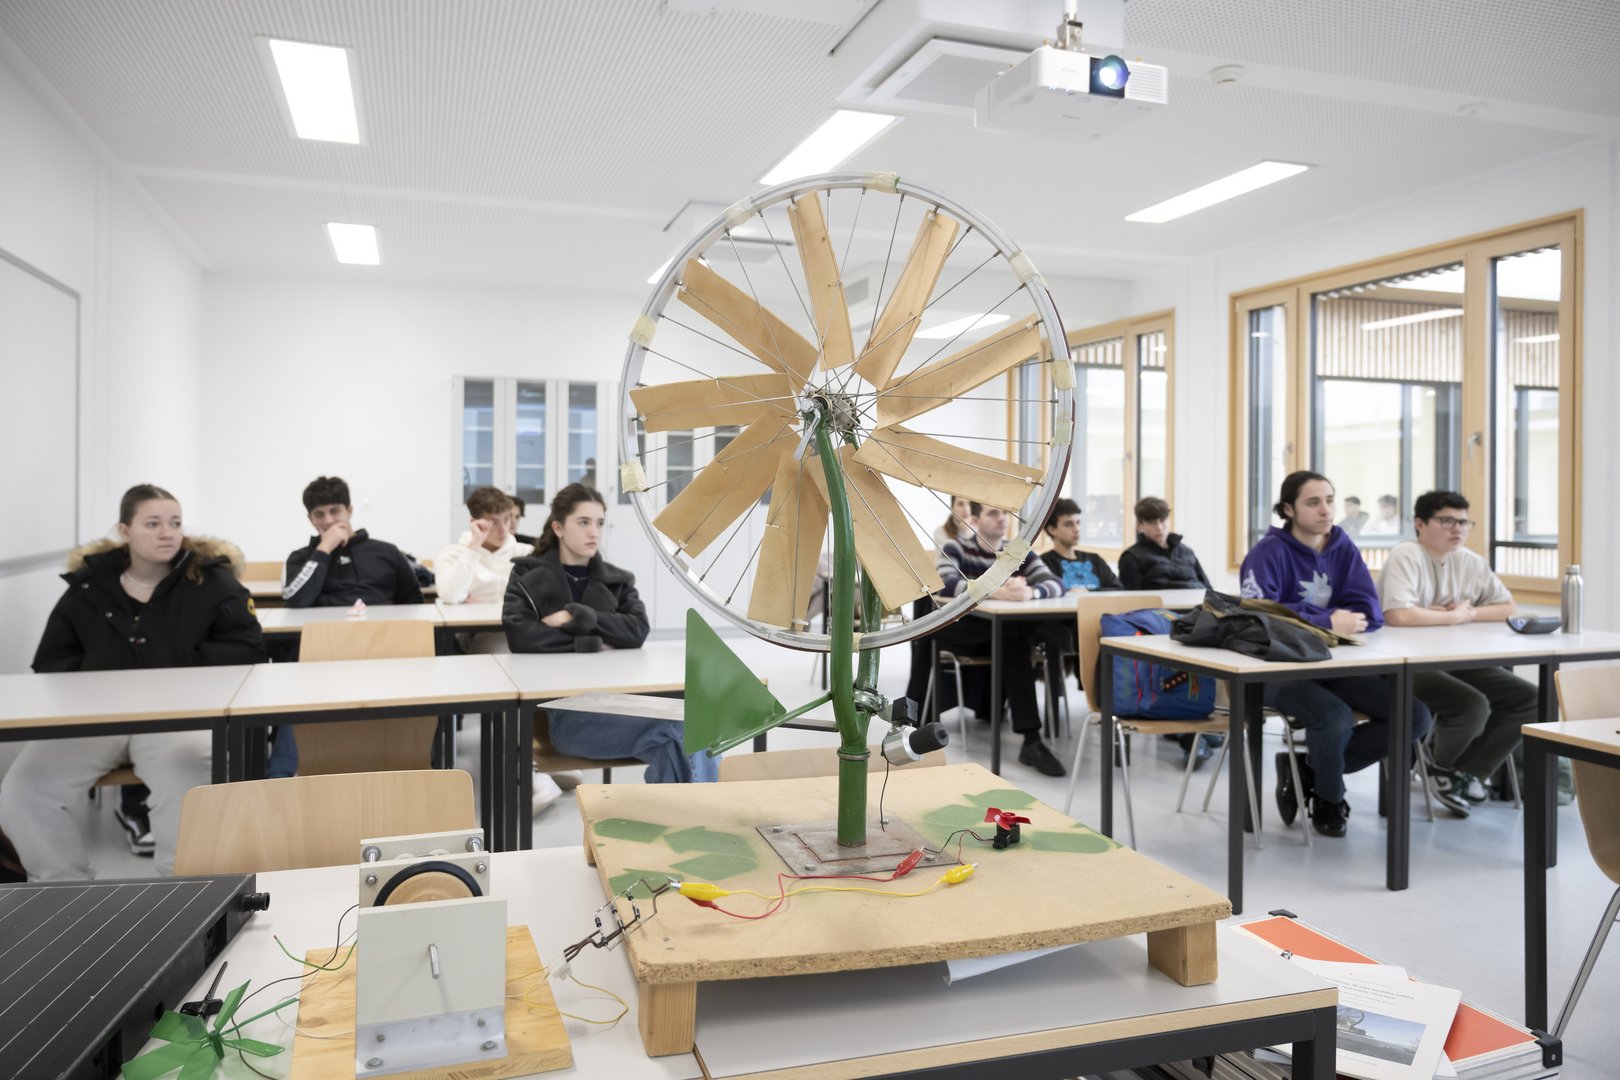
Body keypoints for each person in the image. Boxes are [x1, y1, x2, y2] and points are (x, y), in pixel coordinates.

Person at [0, 485, 267, 879]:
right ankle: (63, 888)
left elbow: (249, 650)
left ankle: (186, 887)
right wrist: (112, 666)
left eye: (175, 523)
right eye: (153, 524)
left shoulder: (212, 583)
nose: (167, 533)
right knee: (24, 788)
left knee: (187, 770)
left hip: (177, 719)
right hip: (96, 720)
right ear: (125, 531)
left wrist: (169, 660)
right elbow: (51, 663)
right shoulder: (88, 587)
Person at [1240, 471, 1433, 838]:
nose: (1326, 510)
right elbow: (1260, 616)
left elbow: (1369, 611)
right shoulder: (1267, 553)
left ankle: (1311, 769)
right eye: (1313, 502)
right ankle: (1329, 799)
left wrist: (1322, 621)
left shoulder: (1342, 547)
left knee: (1414, 715)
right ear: (1288, 509)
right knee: (1334, 717)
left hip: (1334, 665)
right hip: (1275, 669)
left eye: (1329, 500)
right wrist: (1326, 620)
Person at [503, 484, 717, 783]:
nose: (594, 532)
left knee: (680, 739)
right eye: (583, 522)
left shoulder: (618, 580)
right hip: (567, 716)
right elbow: (521, 636)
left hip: (623, 702)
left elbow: (636, 630)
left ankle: (683, 811)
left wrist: (577, 616)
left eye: (600, 523)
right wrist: (597, 640)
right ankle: (705, 811)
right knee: (686, 729)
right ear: (558, 527)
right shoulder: (527, 576)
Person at [1378, 491, 1535, 816]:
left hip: (1456, 660)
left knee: (1531, 698)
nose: (1457, 529)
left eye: (1464, 522)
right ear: (1419, 524)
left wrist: (1469, 613)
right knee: (1472, 705)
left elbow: (1508, 607)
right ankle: (1440, 766)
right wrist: (1454, 617)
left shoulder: (1470, 561)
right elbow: (1399, 615)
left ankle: (1466, 774)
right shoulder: (1406, 555)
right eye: (1447, 521)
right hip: (1405, 664)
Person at [932, 502, 1068, 777]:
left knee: (1019, 635)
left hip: (1002, 631)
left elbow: (1055, 583)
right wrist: (995, 590)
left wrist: (1032, 592)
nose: (1002, 518)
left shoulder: (1017, 552)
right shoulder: (956, 547)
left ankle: (1032, 739)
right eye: (993, 513)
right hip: (961, 630)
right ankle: (1031, 739)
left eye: (1005, 513)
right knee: (1013, 635)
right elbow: (944, 583)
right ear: (975, 519)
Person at [283, 476, 423, 607]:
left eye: (335, 511)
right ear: (311, 519)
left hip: (381, 624)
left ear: (349, 511)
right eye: (319, 514)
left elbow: (414, 603)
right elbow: (295, 601)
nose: (328, 521)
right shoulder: (300, 557)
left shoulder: (388, 552)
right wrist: (324, 548)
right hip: (324, 625)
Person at [436, 486, 523, 605]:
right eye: (493, 522)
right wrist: (473, 547)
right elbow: (450, 596)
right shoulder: (452, 554)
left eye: (506, 519)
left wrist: (489, 603)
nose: (503, 530)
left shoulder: (525, 553)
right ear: (474, 523)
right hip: (471, 618)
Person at [1117, 497, 1212, 591]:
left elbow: (1209, 589)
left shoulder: (1186, 551)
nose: (1159, 527)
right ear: (1139, 525)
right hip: (1162, 601)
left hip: (1197, 599)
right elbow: (1133, 598)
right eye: (1152, 522)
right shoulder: (1132, 557)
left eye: (1162, 520)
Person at [1040, 498, 1121, 592]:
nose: (1076, 529)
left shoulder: (1096, 560)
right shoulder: (1043, 564)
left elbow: (1118, 590)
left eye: (1078, 523)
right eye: (1068, 524)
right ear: (1052, 530)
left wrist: (1088, 592)